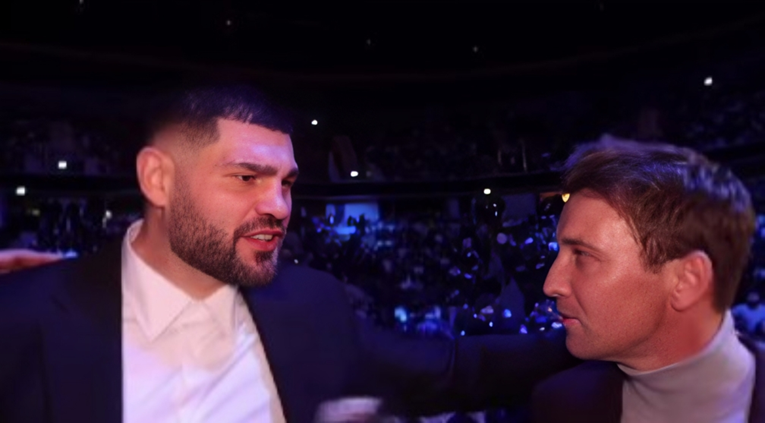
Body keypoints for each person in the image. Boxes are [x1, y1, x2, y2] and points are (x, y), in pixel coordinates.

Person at [0, 85, 577, 423]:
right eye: (246, 177)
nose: (278, 205)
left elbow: (454, 369)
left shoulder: (310, 304)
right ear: (159, 179)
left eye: (287, 183)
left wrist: (598, 337)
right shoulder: (25, 317)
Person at [531, 137, 761, 422]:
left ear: (687, 281)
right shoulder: (560, 405)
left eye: (583, 255)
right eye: (560, 252)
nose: (551, 284)